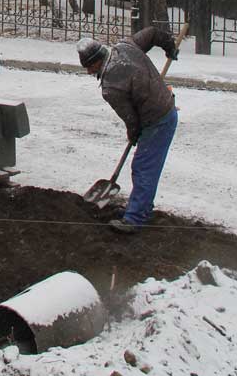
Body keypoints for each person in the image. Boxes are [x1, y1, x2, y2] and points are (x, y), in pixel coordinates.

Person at [77, 27, 179, 234]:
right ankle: (141, 207)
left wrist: (133, 133)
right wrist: (169, 46)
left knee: (143, 167)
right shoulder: (125, 46)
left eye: (89, 66)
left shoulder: (110, 87)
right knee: (144, 166)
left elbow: (131, 118)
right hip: (164, 108)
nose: (89, 72)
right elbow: (152, 33)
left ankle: (135, 218)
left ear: (97, 61)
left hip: (158, 120)